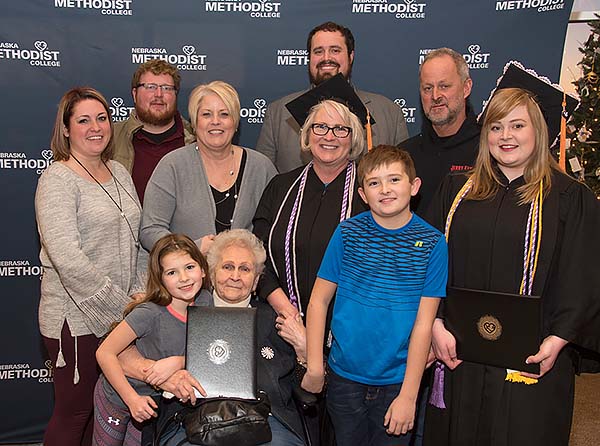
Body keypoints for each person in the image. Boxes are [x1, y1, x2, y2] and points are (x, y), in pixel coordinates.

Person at [424, 71, 600, 445]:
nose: (506, 136)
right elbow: (427, 264)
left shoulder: (569, 198)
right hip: (461, 357)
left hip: (532, 359)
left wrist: (557, 340)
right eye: (496, 126)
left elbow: (582, 278)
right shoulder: (457, 192)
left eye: (517, 125)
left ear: (538, 131)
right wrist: (434, 325)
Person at [301, 145, 448, 446]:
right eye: (374, 182)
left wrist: (409, 395)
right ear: (363, 194)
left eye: (395, 180)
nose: (385, 189)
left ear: (414, 186)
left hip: (398, 382)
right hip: (343, 379)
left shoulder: (433, 243)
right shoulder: (346, 234)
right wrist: (315, 365)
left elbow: (423, 324)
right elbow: (318, 301)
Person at [118, 229, 307, 445]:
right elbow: (120, 352)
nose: (235, 276)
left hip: (267, 420)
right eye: (227, 267)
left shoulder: (276, 320)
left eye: (244, 269)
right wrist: (158, 372)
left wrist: (304, 350)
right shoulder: (183, 308)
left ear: (256, 281)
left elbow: (312, 388)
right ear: (211, 272)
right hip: (191, 418)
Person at [35, 87, 147, 446]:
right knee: (76, 412)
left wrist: (142, 294)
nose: (95, 127)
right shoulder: (57, 179)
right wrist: (122, 309)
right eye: (83, 120)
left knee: (106, 411)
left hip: (123, 313)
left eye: (102, 118)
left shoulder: (118, 171)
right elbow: (68, 258)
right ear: (66, 129)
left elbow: (138, 238)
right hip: (76, 320)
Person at [93, 234, 211, 445]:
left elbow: (205, 347)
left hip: (154, 403)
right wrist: (131, 399)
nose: (184, 278)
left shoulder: (205, 301)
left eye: (190, 267)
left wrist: (179, 361)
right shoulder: (149, 313)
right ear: (161, 278)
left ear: (203, 269)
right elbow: (105, 352)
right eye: (172, 272)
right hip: (119, 397)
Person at [140, 80, 277, 254]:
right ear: (195, 123)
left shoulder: (261, 167)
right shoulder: (172, 166)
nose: (215, 121)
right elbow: (150, 230)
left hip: (244, 279)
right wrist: (191, 249)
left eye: (224, 114)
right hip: (187, 278)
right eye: (206, 114)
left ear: (235, 122)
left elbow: (278, 229)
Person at [256, 21, 408, 173]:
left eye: (335, 50)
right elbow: (264, 178)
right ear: (309, 58)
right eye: (318, 51)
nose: (326, 58)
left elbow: (403, 178)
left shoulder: (389, 113)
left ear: (351, 56)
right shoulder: (278, 114)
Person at [401, 48, 479, 214]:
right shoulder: (405, 154)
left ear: (466, 88)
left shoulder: (489, 150)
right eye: (428, 88)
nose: (435, 96)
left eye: (444, 86)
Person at [113, 60, 196, 202]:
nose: (158, 94)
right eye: (150, 87)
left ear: (176, 94)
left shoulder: (195, 139)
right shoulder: (110, 137)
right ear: (134, 94)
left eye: (166, 88)